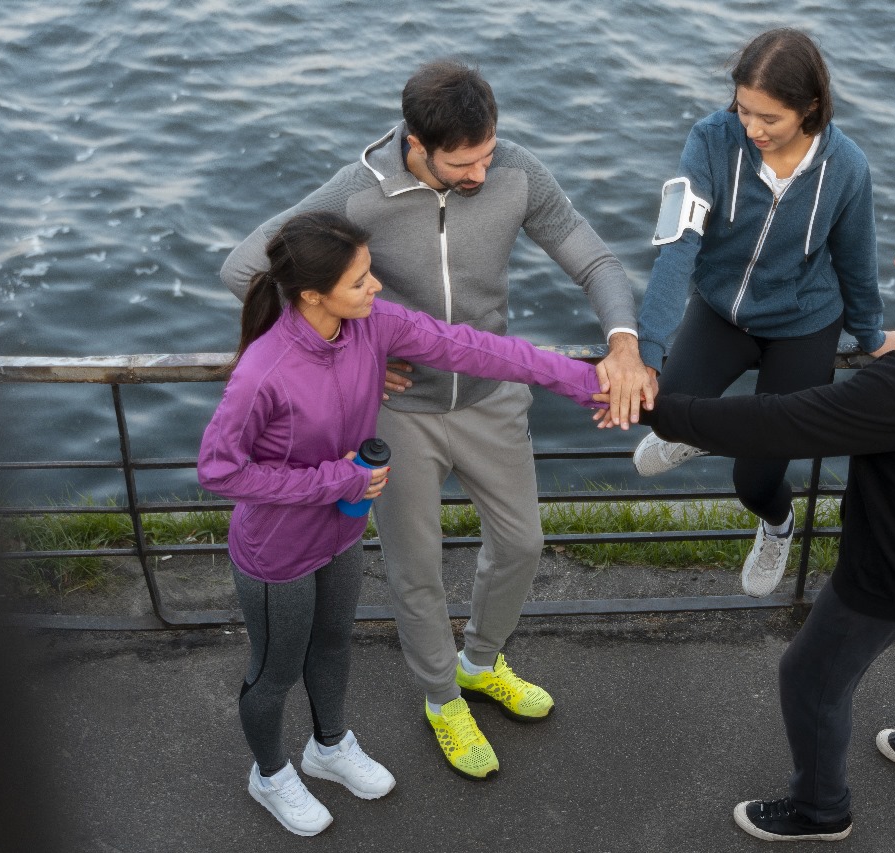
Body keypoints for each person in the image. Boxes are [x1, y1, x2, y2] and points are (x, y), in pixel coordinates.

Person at [220, 60, 654, 780]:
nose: (483, 172)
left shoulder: (517, 171)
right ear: (417, 144)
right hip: (398, 417)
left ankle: (481, 661)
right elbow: (246, 267)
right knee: (414, 569)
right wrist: (346, 354)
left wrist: (624, 344)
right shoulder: (358, 192)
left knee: (521, 542)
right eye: (464, 162)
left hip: (492, 400)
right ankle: (442, 697)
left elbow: (595, 259)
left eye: (488, 153)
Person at [639, 195, 895, 842]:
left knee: (810, 679)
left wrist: (662, 410)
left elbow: (783, 420)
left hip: (892, 563)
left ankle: (821, 809)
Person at [200, 212, 607, 835]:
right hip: (276, 551)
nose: (377, 288)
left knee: (334, 646)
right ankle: (271, 774)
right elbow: (219, 472)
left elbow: (478, 349)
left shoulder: (369, 328)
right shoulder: (263, 371)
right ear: (312, 293)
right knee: (274, 671)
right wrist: (337, 481)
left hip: (340, 532)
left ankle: (329, 747)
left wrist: (585, 382)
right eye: (361, 280)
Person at [632, 28, 895, 599]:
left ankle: (778, 524)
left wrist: (872, 333)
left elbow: (856, 257)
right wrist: (647, 350)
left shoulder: (848, 168)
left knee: (755, 479)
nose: (750, 128)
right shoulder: (710, 139)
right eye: (742, 109)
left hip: (803, 323)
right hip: (721, 307)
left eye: (768, 118)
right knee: (661, 411)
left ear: (810, 107)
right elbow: (678, 244)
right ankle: (698, 430)